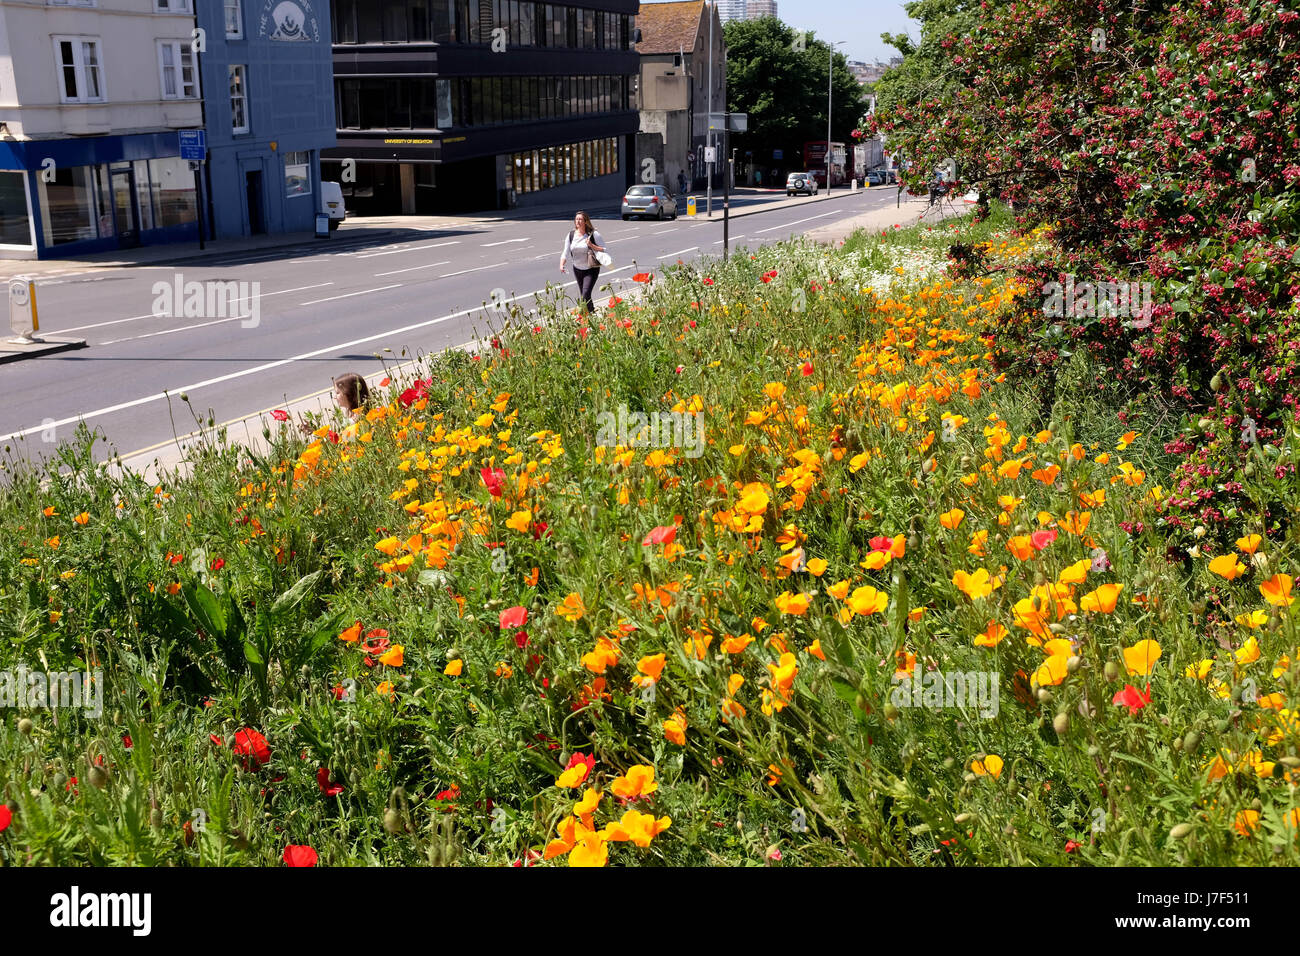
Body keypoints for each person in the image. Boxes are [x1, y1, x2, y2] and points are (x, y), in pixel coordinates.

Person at [559, 210, 607, 314]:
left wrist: (591, 245)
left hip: (591, 269)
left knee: (585, 293)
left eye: (580, 219)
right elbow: (565, 251)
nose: (578, 221)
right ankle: (591, 313)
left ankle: (583, 314)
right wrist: (561, 264)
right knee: (585, 294)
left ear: (585, 221)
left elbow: (604, 249)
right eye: (576, 219)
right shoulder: (571, 235)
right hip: (577, 269)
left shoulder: (593, 234)